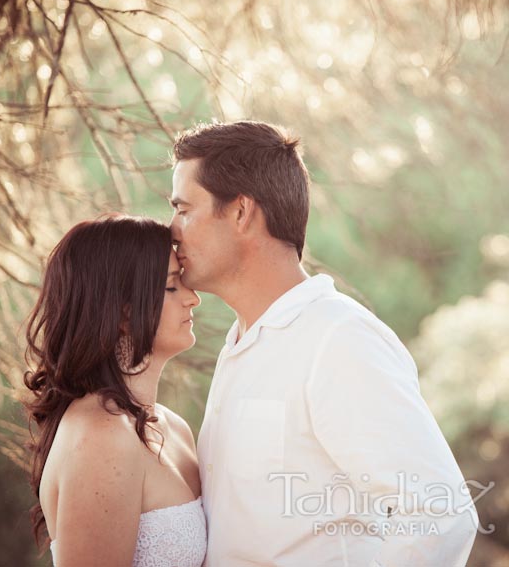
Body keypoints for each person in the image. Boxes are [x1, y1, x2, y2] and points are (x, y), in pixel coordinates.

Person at [170, 121, 479, 566]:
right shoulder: (241, 346)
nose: (172, 229)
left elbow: (440, 513)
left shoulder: (337, 339)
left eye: (183, 209)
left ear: (241, 212)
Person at [24, 215, 206, 567]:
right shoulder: (99, 436)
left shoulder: (174, 428)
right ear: (123, 314)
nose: (193, 298)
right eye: (171, 287)